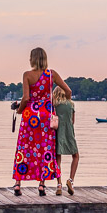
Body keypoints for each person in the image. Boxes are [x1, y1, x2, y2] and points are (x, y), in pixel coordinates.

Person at [12, 47, 72, 196]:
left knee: (24, 149)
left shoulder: (27, 75)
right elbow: (68, 91)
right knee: (44, 150)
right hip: (46, 116)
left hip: (30, 117)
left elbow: (26, 98)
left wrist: (19, 111)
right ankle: (41, 185)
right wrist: (59, 106)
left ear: (32, 59)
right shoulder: (51, 74)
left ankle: (18, 184)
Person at [53, 85, 79, 195]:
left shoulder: (54, 105)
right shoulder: (71, 104)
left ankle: (59, 184)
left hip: (58, 132)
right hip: (69, 133)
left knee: (58, 158)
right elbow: (72, 121)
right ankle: (71, 180)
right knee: (76, 156)